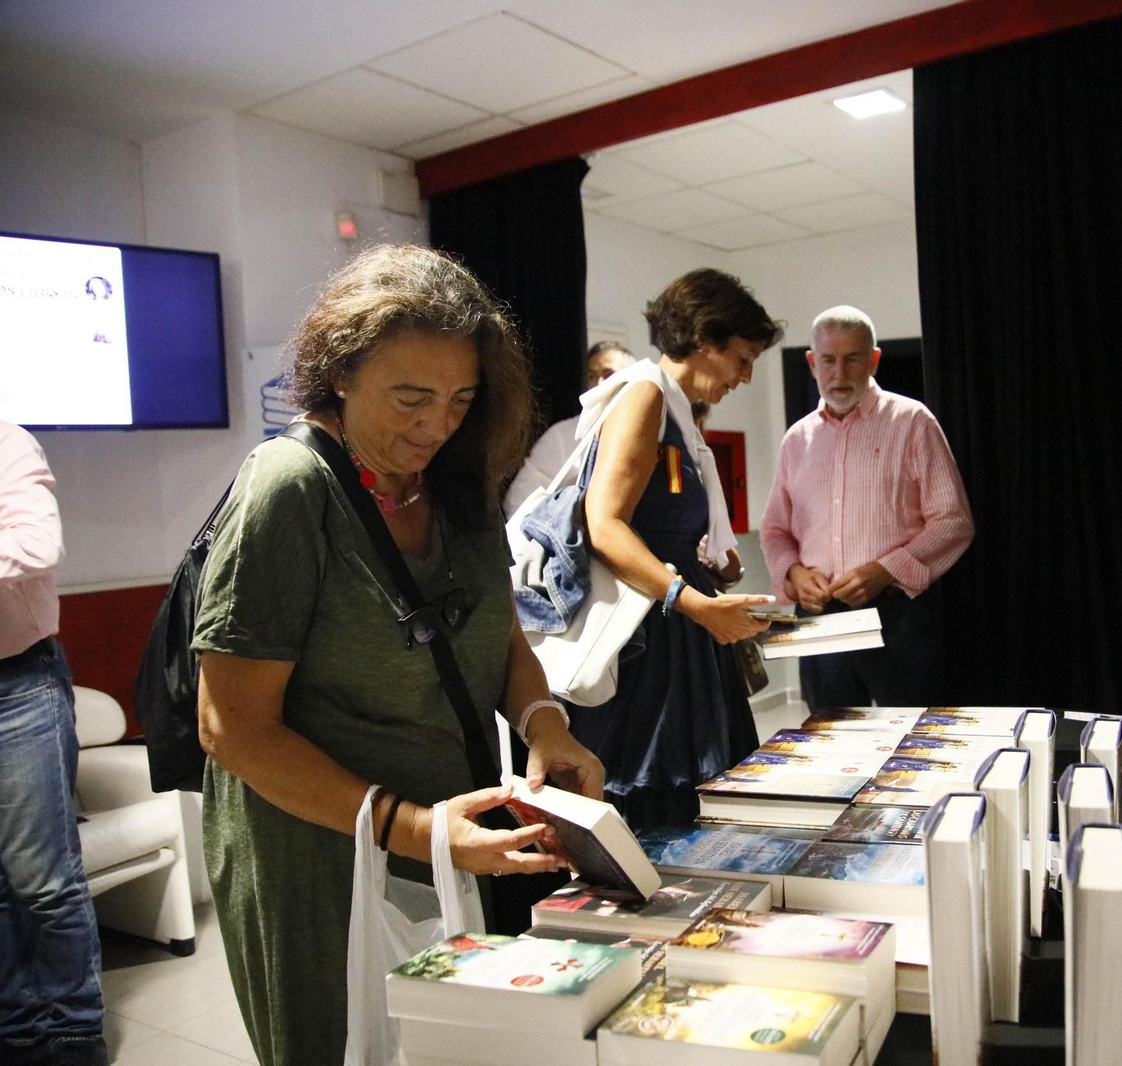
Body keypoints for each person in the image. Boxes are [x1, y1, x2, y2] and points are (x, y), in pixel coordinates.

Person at [193, 245, 604, 1066]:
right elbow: (230, 728)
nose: (435, 425)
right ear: (339, 373)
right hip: (315, 858)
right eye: (410, 397)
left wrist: (543, 720)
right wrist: (410, 828)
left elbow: (498, 634)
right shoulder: (289, 488)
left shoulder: (460, 478)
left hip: (441, 832)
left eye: (459, 399)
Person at [566, 268, 781, 831]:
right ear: (705, 340)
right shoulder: (645, 397)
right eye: (742, 358)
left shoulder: (676, 411)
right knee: (661, 808)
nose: (746, 375)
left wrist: (713, 567)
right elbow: (605, 525)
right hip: (652, 642)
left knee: (697, 807)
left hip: (677, 631)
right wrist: (694, 601)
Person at [760, 306, 974, 708]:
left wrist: (884, 571)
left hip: (899, 616)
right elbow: (774, 530)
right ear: (812, 363)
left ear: (873, 360)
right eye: (828, 360)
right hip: (821, 617)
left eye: (852, 358)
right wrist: (794, 572)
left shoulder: (913, 422)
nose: (839, 373)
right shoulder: (797, 439)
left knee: (912, 743)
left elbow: (954, 521)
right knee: (828, 739)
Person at [0, 421, 106, 1066]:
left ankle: (72, 1029)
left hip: (16, 684)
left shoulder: (4, 440)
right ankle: (16, 1025)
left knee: (42, 882)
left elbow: (38, 545)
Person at [503, 341, 635, 515]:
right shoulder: (564, 434)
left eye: (608, 374)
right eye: (591, 376)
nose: (598, 383)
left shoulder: (654, 429)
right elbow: (519, 501)